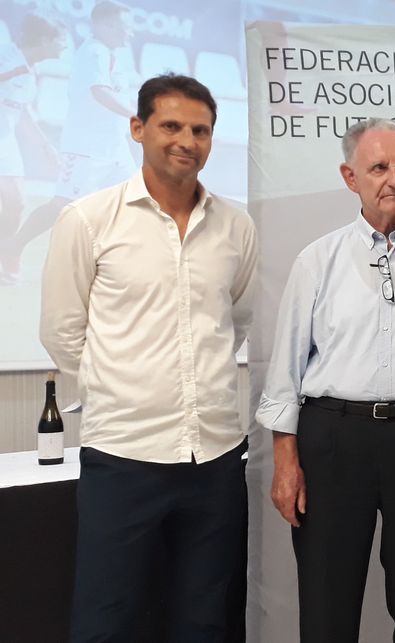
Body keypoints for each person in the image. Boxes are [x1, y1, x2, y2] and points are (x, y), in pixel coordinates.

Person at [39, 73, 257, 642]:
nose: (187, 140)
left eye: (201, 130)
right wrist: (121, 389)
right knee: (106, 620)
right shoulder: (89, 220)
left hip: (214, 457)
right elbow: (62, 331)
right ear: (138, 128)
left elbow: (235, 321)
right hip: (123, 456)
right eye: (172, 126)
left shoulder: (236, 226)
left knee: (205, 619)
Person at [257, 117, 395, 643]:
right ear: (350, 177)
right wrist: (287, 463)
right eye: (379, 167)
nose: (394, 179)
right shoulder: (318, 261)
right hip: (335, 440)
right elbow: (285, 370)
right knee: (327, 605)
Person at [3, 1, 138, 275]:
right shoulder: (93, 53)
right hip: (86, 150)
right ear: (105, 25)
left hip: (114, 149)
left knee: (133, 202)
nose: (130, 32)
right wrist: (140, 116)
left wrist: (43, 145)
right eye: (125, 26)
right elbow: (99, 91)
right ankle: (12, 248)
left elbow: (22, 111)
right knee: (60, 205)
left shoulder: (109, 55)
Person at [0, 13, 67, 281]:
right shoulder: (7, 58)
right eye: (60, 40)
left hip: (5, 140)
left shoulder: (30, 69)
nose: (64, 45)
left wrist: (44, 145)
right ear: (43, 41)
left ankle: (7, 254)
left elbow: (21, 111)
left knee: (16, 201)